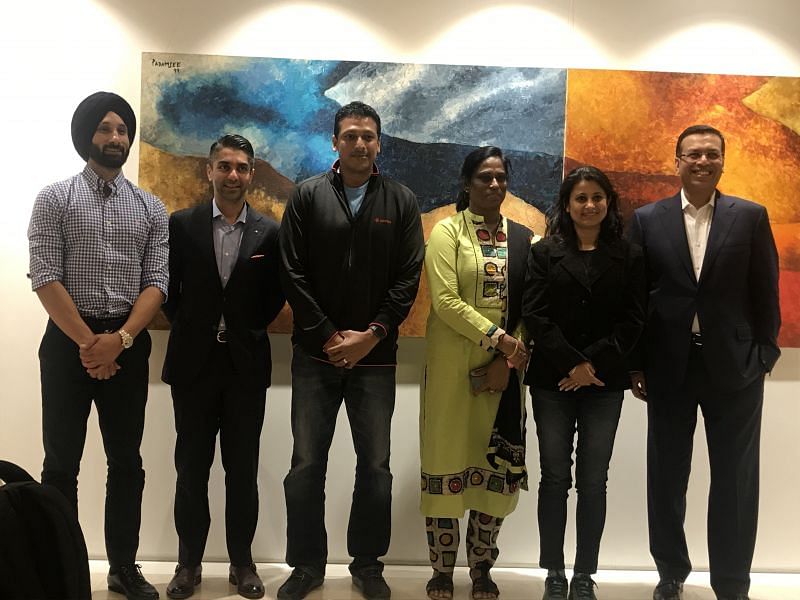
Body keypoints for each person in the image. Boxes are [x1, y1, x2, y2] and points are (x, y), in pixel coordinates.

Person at [277, 101, 425, 600]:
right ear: (335, 142)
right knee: (305, 466)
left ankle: (367, 564)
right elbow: (291, 272)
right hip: (314, 356)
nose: (360, 143)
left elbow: (408, 279)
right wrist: (327, 336)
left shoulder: (401, 201)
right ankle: (306, 566)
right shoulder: (306, 196)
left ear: (379, 143)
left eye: (368, 136)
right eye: (350, 135)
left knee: (376, 467)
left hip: (376, 358)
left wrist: (372, 334)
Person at [628, 125, 781, 600]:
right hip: (668, 366)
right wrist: (636, 364)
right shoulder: (646, 219)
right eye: (692, 154)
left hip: (735, 369)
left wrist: (764, 354)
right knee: (667, 476)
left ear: (722, 161)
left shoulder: (750, 217)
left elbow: (765, 292)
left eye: (711, 154)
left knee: (736, 479)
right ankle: (670, 572)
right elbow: (636, 298)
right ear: (676, 161)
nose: (701, 161)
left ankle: (732, 583)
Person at [27, 91, 168, 600]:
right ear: (87, 135)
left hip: (127, 344)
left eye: (123, 130)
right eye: (105, 128)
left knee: (126, 462)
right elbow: (43, 276)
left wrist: (121, 340)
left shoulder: (151, 207)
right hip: (69, 343)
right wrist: (91, 345)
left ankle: (123, 568)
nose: (115, 138)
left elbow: (158, 282)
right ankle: (59, 570)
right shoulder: (54, 199)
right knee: (60, 464)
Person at [161, 134, 285, 599]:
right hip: (192, 366)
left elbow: (274, 297)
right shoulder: (181, 225)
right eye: (224, 166)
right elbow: (166, 289)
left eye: (241, 168)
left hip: (245, 367)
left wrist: (241, 329)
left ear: (252, 174)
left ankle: (242, 564)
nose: (233, 175)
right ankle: (188, 565)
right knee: (190, 470)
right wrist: (194, 326)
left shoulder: (270, 233)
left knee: (242, 470)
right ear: (209, 171)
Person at [523, 166, 645, 600]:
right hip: (552, 380)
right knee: (554, 478)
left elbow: (634, 320)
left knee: (594, 480)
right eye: (580, 198)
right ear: (567, 205)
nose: (589, 205)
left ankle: (583, 575)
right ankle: (554, 571)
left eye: (597, 197)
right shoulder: (544, 253)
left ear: (608, 203)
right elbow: (534, 315)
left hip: (604, 383)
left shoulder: (628, 255)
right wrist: (572, 363)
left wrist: (590, 365)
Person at [420, 147, 532, 600]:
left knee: (493, 472)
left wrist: (505, 363)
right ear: (467, 182)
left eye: (501, 177)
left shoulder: (525, 240)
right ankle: (442, 571)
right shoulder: (447, 233)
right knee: (446, 465)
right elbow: (445, 302)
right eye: (484, 177)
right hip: (450, 373)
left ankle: (482, 569)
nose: (493, 185)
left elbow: (531, 308)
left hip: (502, 377)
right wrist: (501, 340)